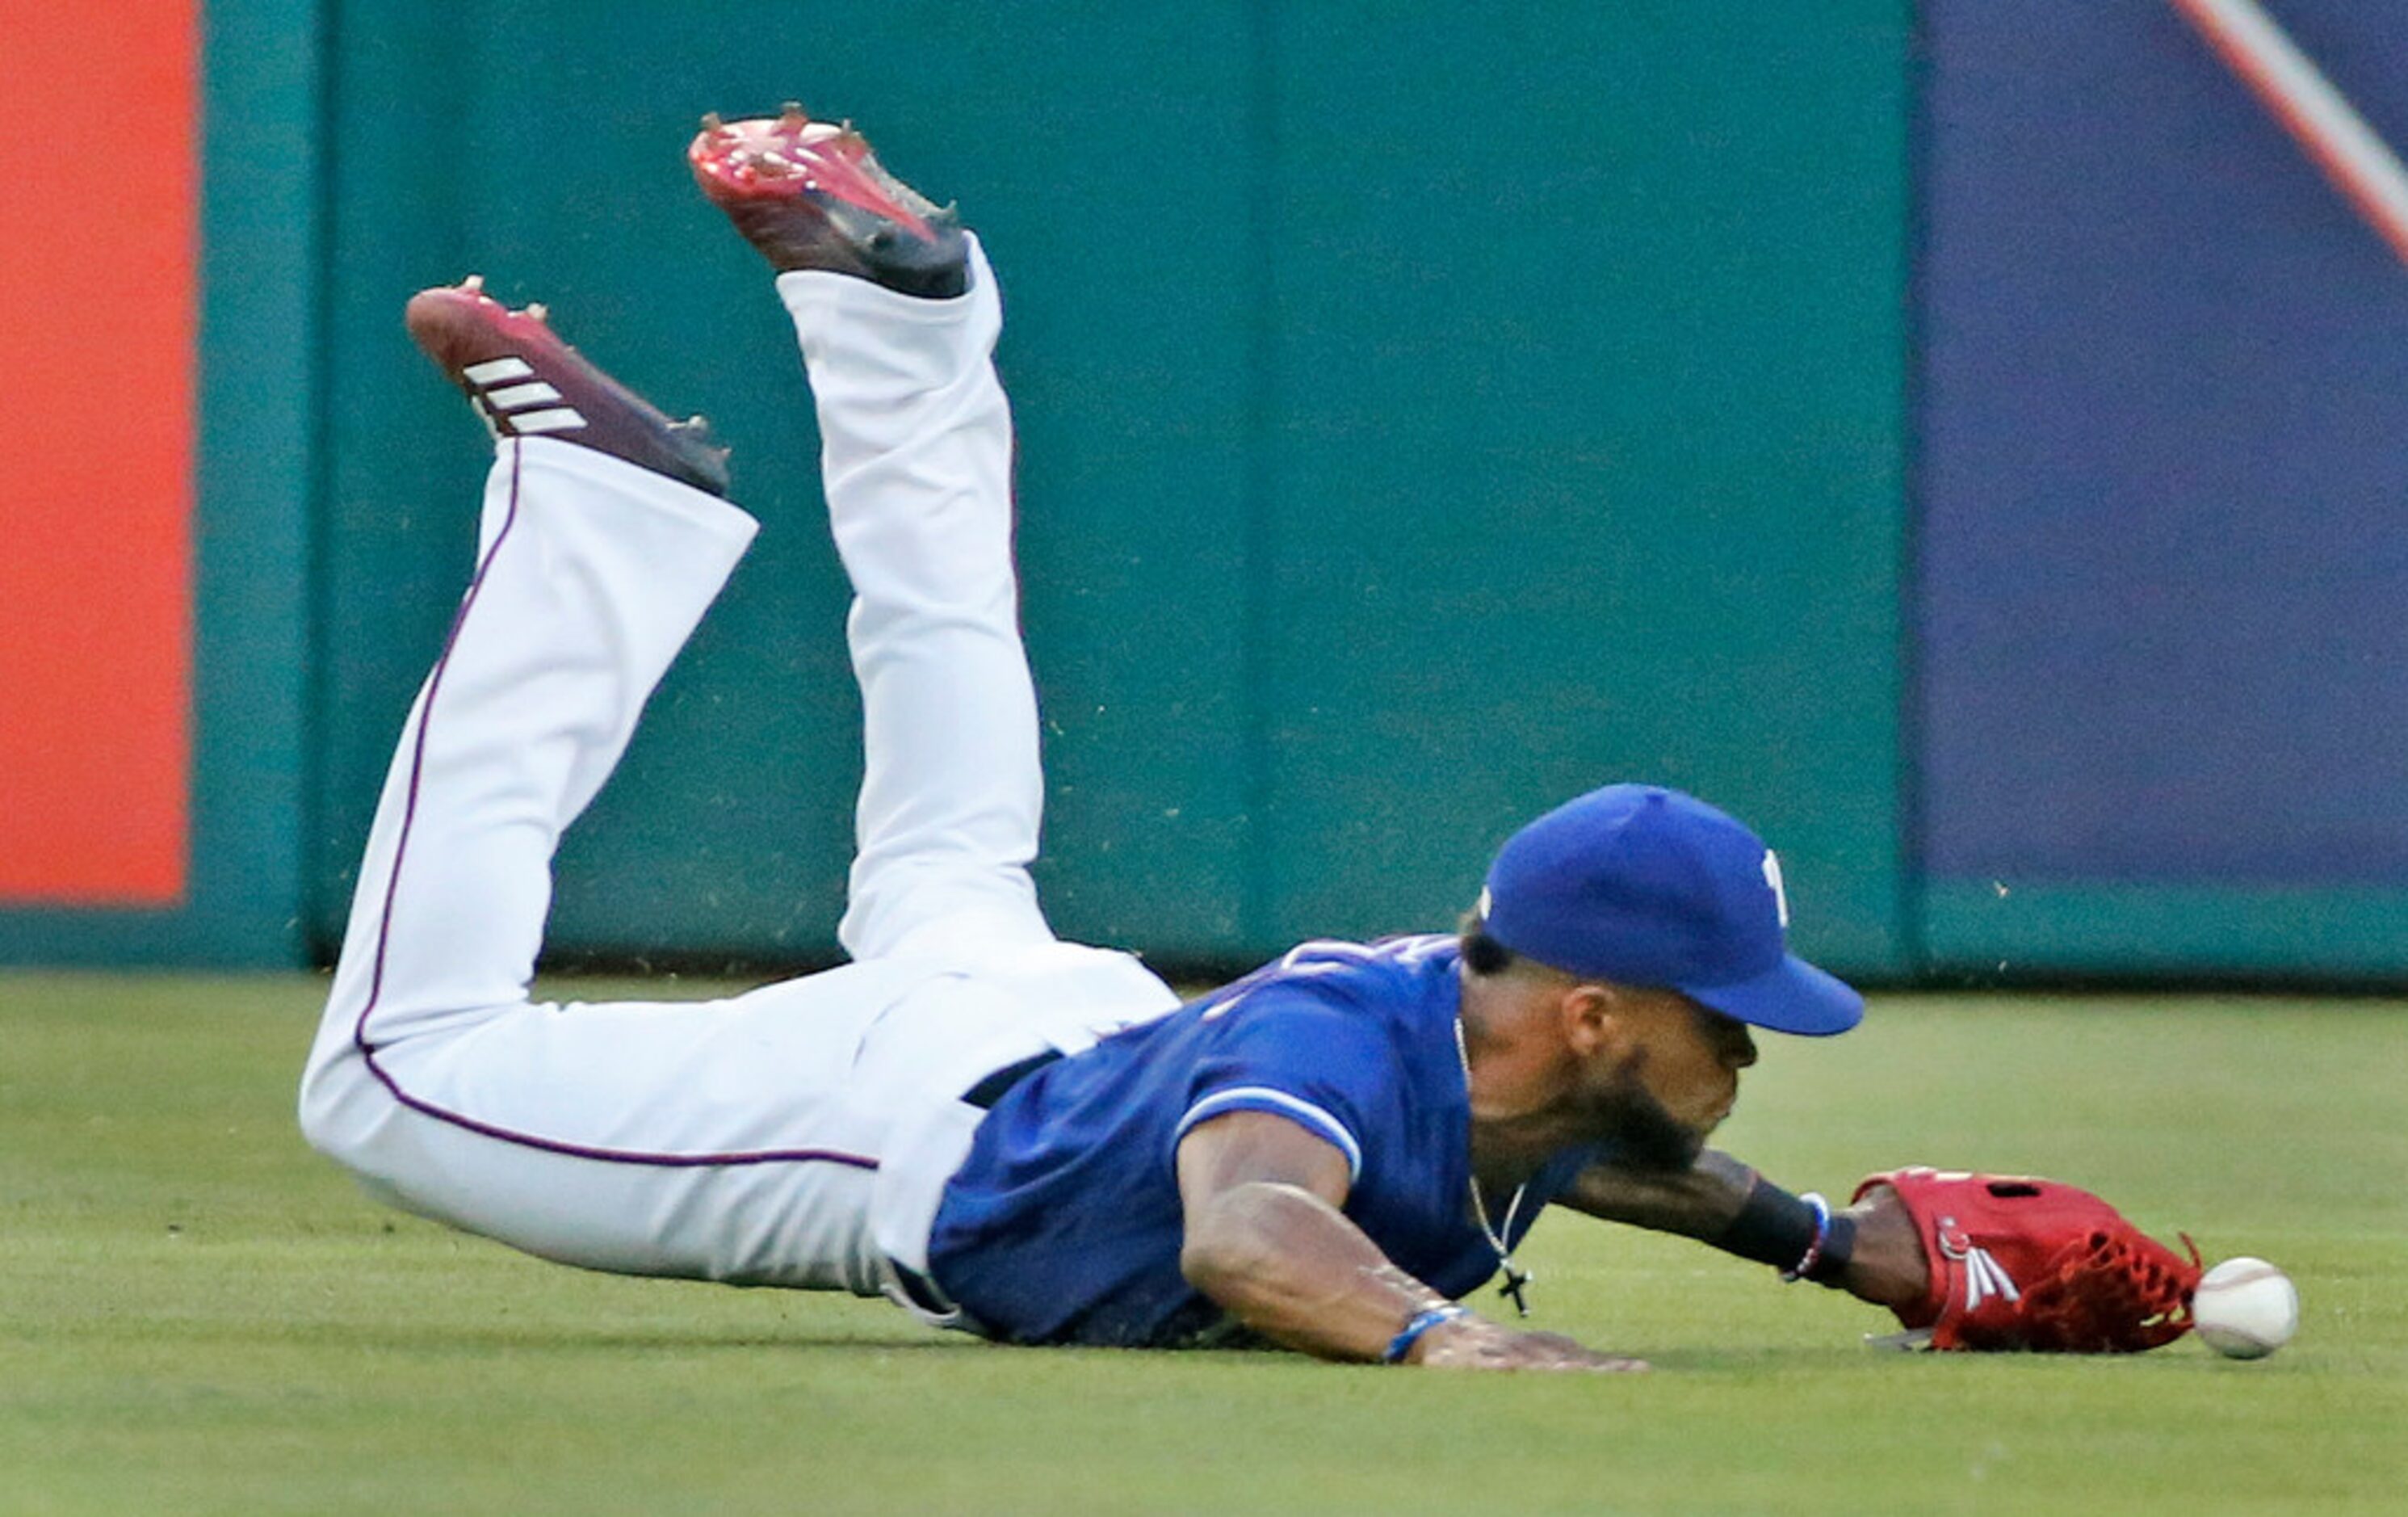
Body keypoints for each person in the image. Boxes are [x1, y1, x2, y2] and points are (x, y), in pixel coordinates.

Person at [299, 104, 1926, 1370]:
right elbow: (1247, 1238)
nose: (1745, 1054)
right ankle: (599, 521)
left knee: (951, 832)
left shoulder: (1492, 1054)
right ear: (1587, 1010)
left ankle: (898, 336)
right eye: (1721, 1018)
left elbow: (1557, 1152)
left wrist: (1835, 1250)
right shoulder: (1323, 1067)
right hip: (907, 1131)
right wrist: (1448, 1338)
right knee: (390, 1077)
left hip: (1050, 1038)